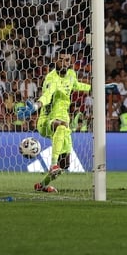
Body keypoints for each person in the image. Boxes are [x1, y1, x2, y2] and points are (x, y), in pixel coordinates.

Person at [33, 52, 91, 193]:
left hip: (64, 119)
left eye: (67, 60)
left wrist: (97, 88)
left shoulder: (71, 73)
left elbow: (76, 85)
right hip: (46, 121)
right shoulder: (51, 78)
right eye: (61, 60)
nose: (64, 63)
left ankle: (42, 185)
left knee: (64, 165)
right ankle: (52, 164)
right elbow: (47, 95)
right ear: (55, 61)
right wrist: (36, 106)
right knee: (60, 125)